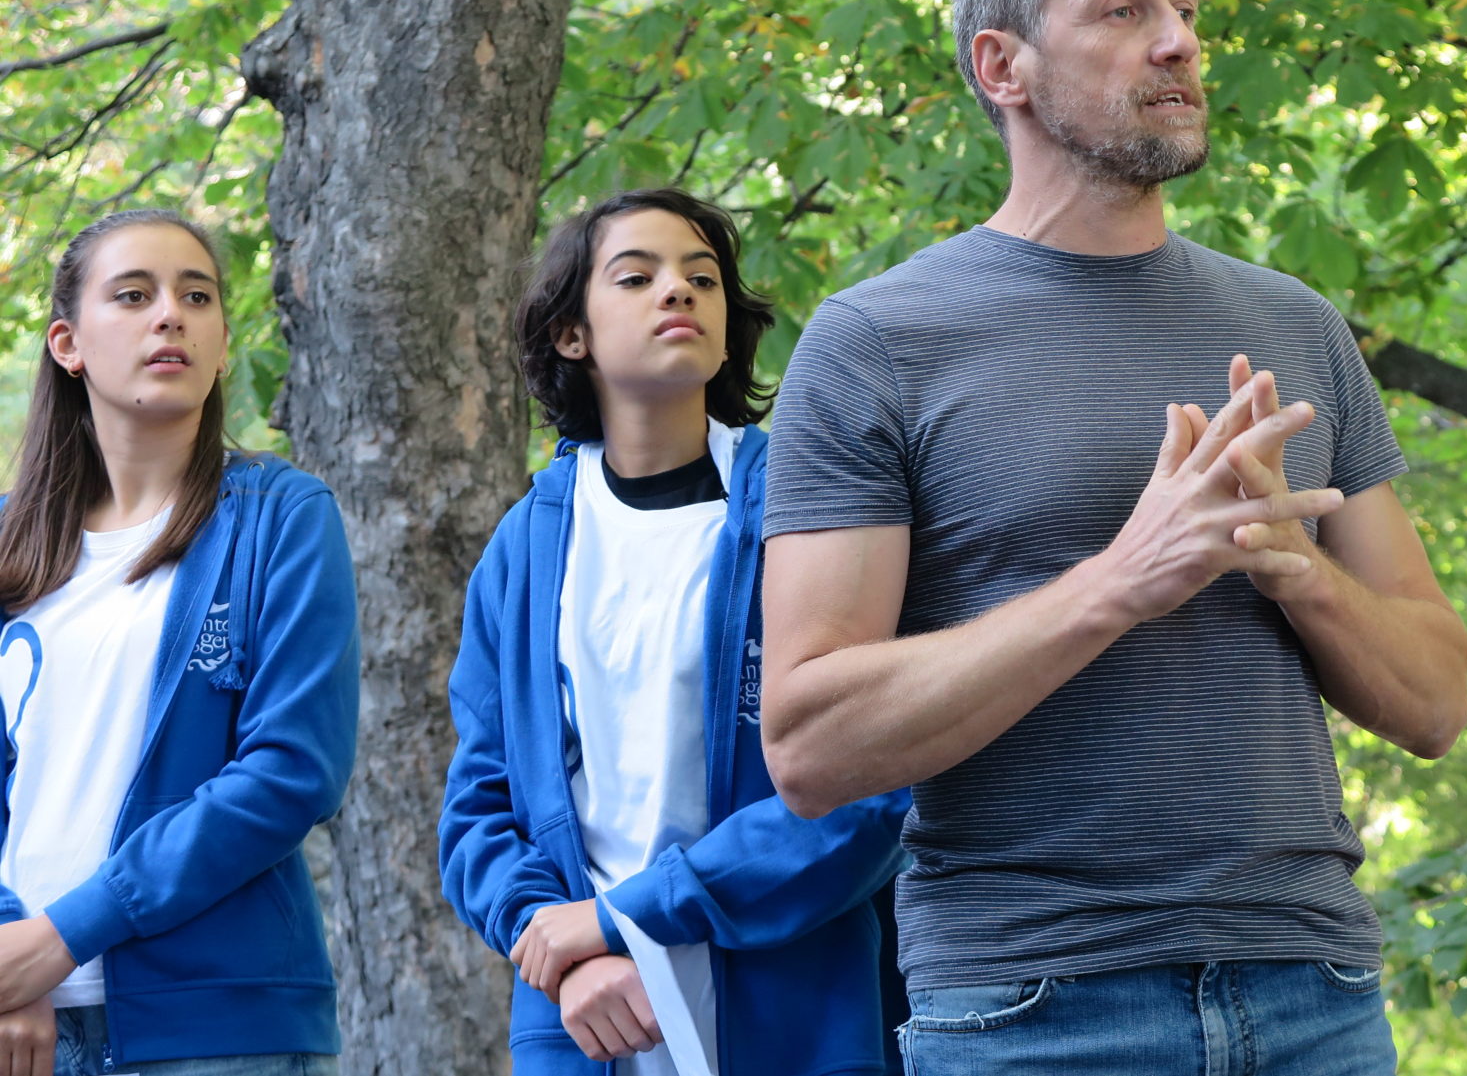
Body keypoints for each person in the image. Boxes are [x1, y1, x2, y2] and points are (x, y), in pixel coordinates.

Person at [758, 0, 1467, 1075]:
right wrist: (1122, 582)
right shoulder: (876, 342)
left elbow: (1436, 703)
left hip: (1319, 996)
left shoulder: (1296, 327)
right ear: (1003, 67)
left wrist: (1296, 571)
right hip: (1032, 1013)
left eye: (1183, 10)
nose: (1179, 42)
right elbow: (810, 744)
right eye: (1123, 12)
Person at [439, 187, 909, 1076]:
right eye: (636, 276)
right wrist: (563, 945)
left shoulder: (806, 509)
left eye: (703, 277)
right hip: (588, 1018)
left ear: (727, 331)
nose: (678, 290)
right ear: (571, 334)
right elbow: (478, 811)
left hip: (792, 1010)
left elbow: (870, 787)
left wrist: (626, 914)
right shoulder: (525, 547)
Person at [0, 208, 359, 1076]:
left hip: (218, 1029)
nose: (170, 314)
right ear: (67, 343)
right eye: (134, 295)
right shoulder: (9, 542)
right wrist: (14, 953)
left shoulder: (281, 516)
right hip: (21, 1018)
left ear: (223, 344)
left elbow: (291, 771)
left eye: (196, 297)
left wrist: (63, 935)